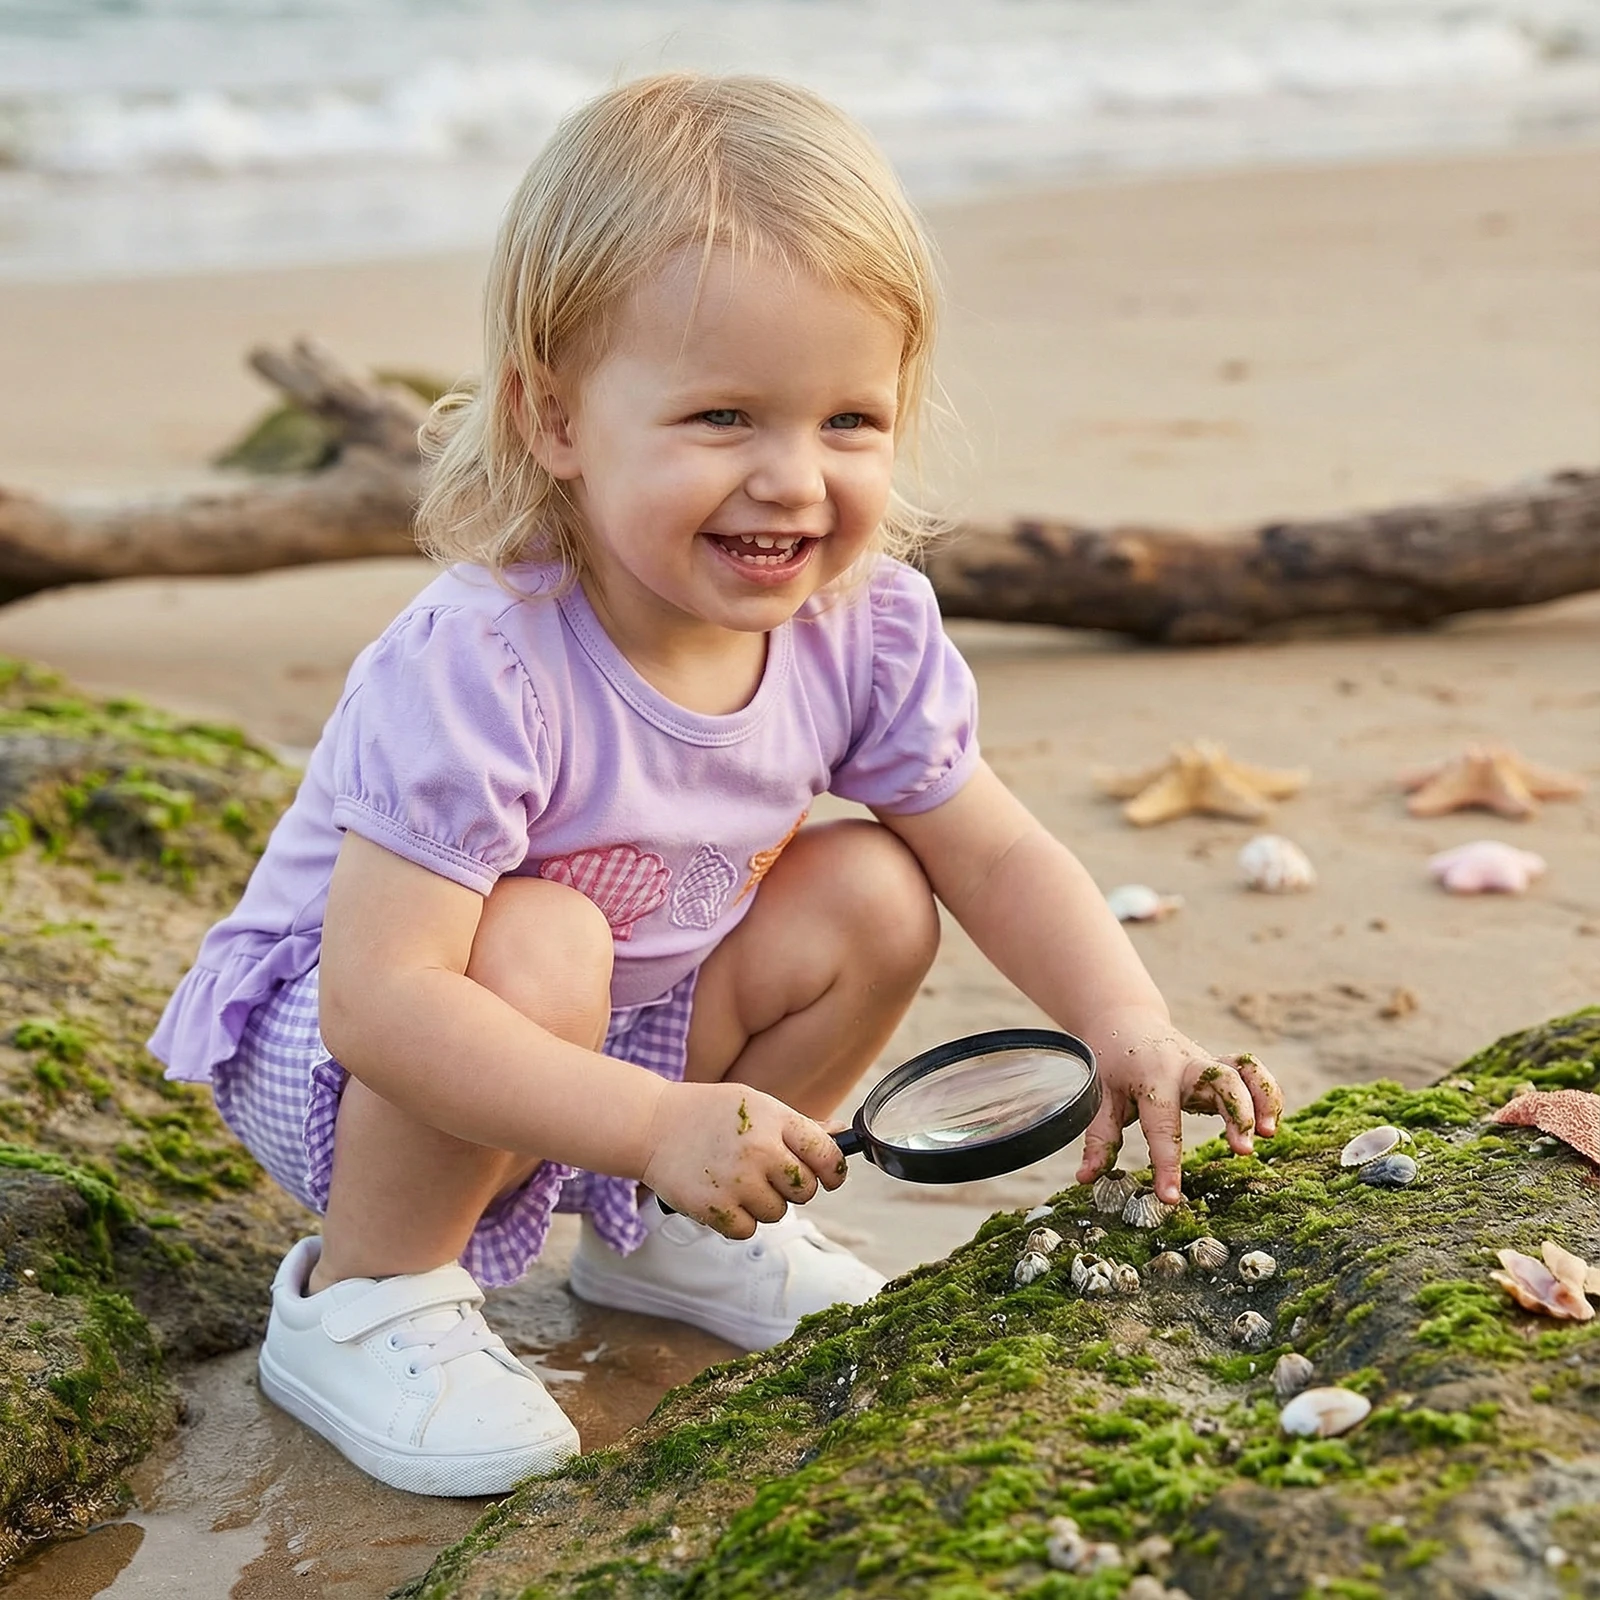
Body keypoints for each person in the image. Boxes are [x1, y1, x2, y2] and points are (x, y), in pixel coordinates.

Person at [150, 72, 1282, 1498]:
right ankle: (369, 1292)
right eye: (723, 417)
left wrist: (1128, 1020)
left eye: (848, 422)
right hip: (349, 1050)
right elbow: (385, 1002)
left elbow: (992, 855)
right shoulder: (483, 664)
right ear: (555, 419)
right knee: (549, 933)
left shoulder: (859, 626)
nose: (791, 481)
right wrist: (653, 1125)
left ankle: (679, 1240)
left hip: (611, 1017)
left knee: (880, 885)